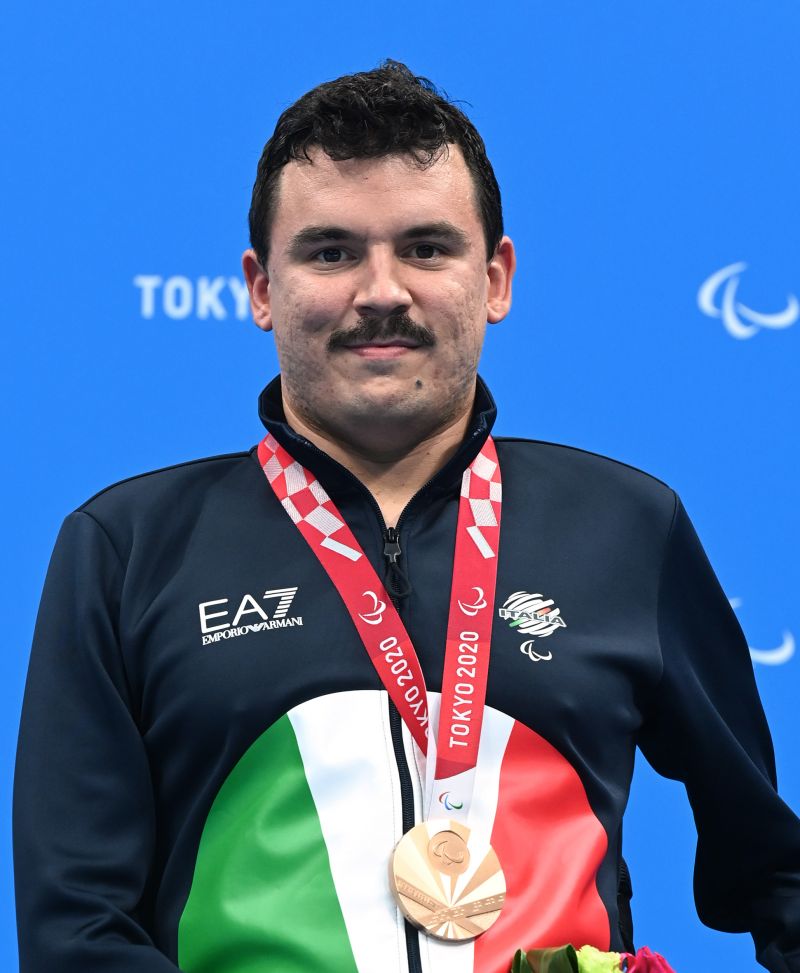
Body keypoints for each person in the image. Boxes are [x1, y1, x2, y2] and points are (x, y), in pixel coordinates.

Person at [13, 60, 800, 973]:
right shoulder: (127, 549)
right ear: (261, 287)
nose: (382, 290)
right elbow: (75, 932)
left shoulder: (628, 527)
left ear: (496, 278)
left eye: (426, 248)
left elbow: (775, 871)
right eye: (331, 252)